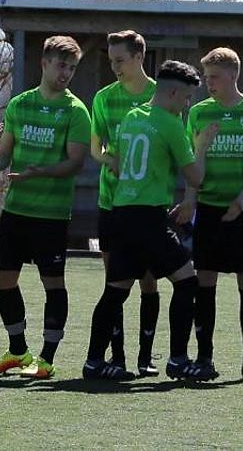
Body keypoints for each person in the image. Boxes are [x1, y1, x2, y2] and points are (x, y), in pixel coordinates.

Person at [83, 60, 219, 381]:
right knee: (186, 282)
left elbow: (119, 162)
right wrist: (201, 146)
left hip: (121, 212)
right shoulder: (170, 124)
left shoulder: (132, 117)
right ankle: (178, 360)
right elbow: (195, 177)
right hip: (148, 217)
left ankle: (93, 361)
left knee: (115, 291)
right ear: (172, 93)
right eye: (186, 98)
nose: (187, 105)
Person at [0, 36, 90, 379]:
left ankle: (47, 359)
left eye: (71, 68)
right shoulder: (20, 105)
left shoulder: (75, 111)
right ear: (44, 63)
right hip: (16, 210)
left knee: (52, 283)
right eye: (61, 65)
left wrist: (39, 172)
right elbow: (5, 152)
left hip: (51, 214)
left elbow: (74, 162)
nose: (66, 73)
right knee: (4, 279)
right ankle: (18, 351)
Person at [178, 47, 243, 381]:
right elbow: (192, 164)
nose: (209, 83)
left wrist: (241, 199)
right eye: (206, 77)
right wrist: (191, 199)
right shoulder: (199, 113)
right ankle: (204, 358)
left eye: (215, 77)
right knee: (205, 279)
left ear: (234, 75)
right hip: (209, 209)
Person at [90, 30, 161, 376]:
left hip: (146, 206)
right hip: (112, 203)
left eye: (120, 60)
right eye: (111, 60)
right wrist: (110, 160)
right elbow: (95, 148)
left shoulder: (160, 96)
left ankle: (145, 358)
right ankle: (116, 357)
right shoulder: (104, 98)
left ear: (138, 57)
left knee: (149, 279)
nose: (115, 66)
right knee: (115, 282)